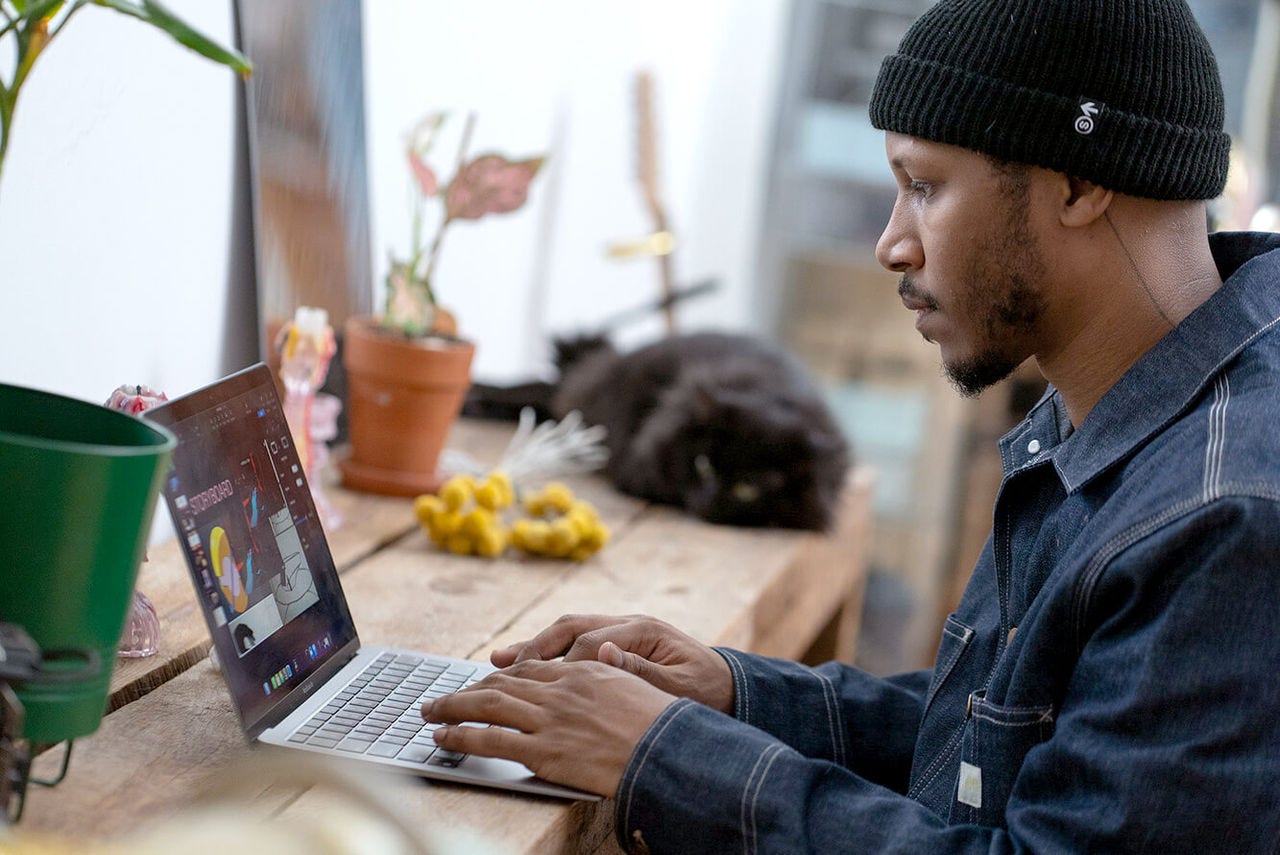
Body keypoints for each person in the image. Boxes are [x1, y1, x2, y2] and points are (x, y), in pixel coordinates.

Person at [422, 0, 1280, 850]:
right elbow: (1018, 740)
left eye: (925, 186)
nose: (891, 243)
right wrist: (735, 694)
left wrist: (665, 750)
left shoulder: (1222, 516)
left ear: (1082, 183)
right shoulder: (1140, 406)